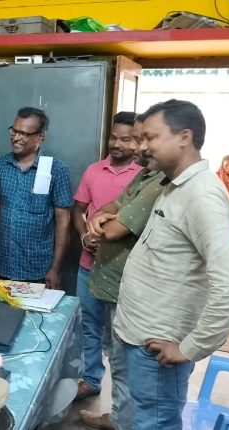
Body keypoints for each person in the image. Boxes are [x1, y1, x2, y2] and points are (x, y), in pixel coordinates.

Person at [113, 99, 229, 430]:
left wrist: (190, 348)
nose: (140, 147)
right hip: (139, 337)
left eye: (150, 138)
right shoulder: (173, 186)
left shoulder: (202, 195)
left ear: (184, 137)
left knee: (155, 424)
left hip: (158, 350)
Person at [77, 115, 166, 430]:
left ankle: (121, 419)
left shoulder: (161, 181)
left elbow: (115, 229)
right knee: (108, 346)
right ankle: (116, 414)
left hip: (127, 285)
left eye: (141, 139)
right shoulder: (145, 175)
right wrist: (94, 224)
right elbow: (110, 207)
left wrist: (99, 226)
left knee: (125, 360)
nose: (137, 147)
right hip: (100, 275)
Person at [71, 111, 141, 402]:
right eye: (114, 137)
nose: (118, 144)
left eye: (126, 139)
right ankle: (91, 380)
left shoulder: (143, 176)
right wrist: (84, 237)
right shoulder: (93, 170)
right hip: (88, 267)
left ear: (138, 141)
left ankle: (121, 403)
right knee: (87, 326)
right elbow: (78, 211)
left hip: (122, 271)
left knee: (119, 336)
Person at [0, 107, 72, 288]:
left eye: (24, 134)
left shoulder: (56, 170)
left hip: (38, 270)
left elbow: (63, 222)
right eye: (14, 131)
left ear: (40, 136)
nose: (16, 137)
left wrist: (55, 268)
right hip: (0, 265)